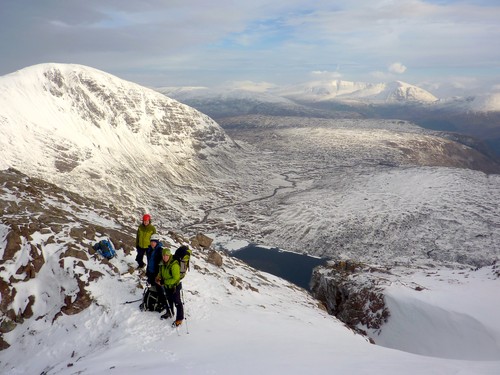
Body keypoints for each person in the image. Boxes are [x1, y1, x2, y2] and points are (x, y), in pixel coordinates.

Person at [156, 247, 184, 326]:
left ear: (169, 256)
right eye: (164, 255)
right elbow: (160, 273)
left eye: (167, 255)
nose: (165, 257)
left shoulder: (174, 265)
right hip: (167, 286)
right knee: (168, 300)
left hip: (175, 286)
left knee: (177, 303)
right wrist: (158, 278)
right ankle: (169, 312)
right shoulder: (162, 263)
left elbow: (176, 278)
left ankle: (179, 319)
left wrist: (164, 282)